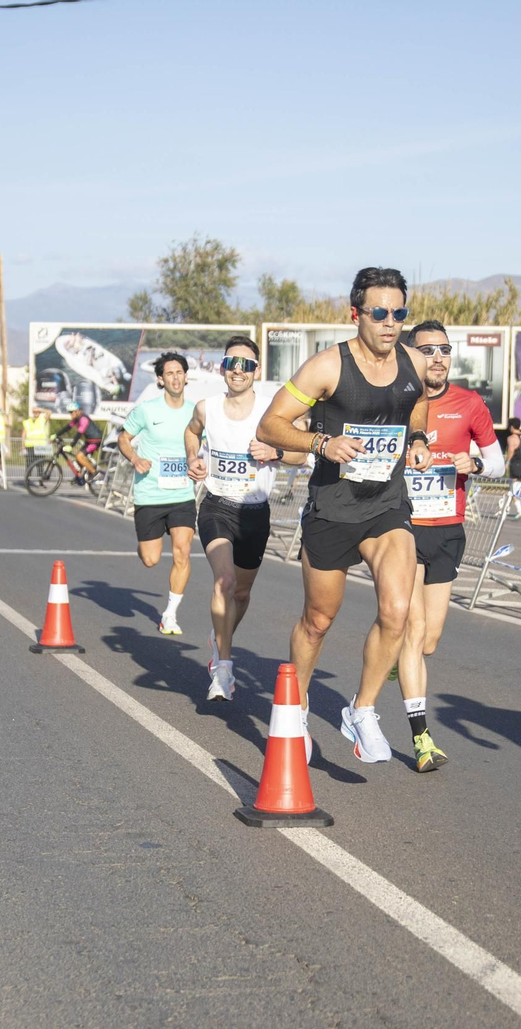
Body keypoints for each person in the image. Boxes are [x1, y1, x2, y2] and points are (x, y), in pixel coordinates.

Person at [256, 266, 433, 764]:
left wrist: (416, 438)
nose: (390, 322)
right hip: (333, 509)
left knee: (397, 612)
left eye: (399, 313)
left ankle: (363, 709)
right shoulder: (327, 367)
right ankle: (295, 704)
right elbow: (271, 425)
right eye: (380, 312)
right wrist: (321, 443)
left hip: (387, 505)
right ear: (357, 314)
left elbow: (416, 403)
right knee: (318, 620)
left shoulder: (414, 363)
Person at [395, 320, 504, 771]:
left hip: (447, 528)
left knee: (429, 640)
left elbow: (497, 464)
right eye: (428, 350)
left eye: (444, 349)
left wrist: (473, 461)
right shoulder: (397, 400)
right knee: (414, 627)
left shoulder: (469, 402)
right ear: (412, 355)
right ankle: (421, 738)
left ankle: (395, 657)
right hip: (400, 526)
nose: (437, 357)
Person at [184, 336, 304, 700]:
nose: (238, 370)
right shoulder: (207, 407)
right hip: (217, 506)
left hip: (255, 513)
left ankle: (220, 636)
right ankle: (223, 668)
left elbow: (302, 455)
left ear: (256, 371)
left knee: (241, 592)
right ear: (222, 367)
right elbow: (192, 432)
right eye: (232, 363)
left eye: (246, 364)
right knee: (223, 582)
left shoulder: (271, 413)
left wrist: (276, 451)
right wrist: (194, 459)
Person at [120, 352, 198, 635]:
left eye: (180, 372)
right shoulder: (147, 410)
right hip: (150, 493)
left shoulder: (195, 412)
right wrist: (134, 459)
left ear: (186, 377)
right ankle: (145, 544)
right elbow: (123, 438)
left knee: (183, 551)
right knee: (151, 559)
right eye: (170, 374)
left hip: (182, 493)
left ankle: (170, 614)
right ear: (161, 379)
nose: (175, 378)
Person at [54, 400, 101, 483]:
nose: (71, 414)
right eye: (70, 412)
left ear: (78, 411)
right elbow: (67, 428)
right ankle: (80, 476)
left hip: (95, 441)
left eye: (72, 412)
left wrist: (71, 446)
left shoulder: (83, 419)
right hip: (89, 441)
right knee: (77, 457)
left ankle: (95, 473)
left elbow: (79, 434)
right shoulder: (77, 419)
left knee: (79, 457)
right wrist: (56, 434)